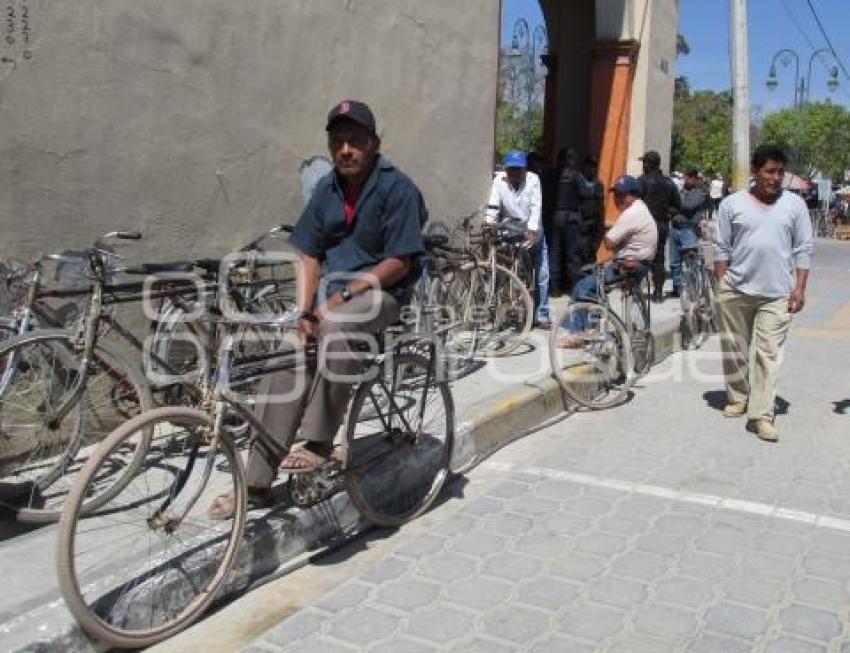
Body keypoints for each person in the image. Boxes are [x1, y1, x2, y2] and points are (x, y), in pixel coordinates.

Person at [208, 99, 428, 518]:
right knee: (290, 353)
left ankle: (319, 441)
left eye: (355, 141)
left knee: (344, 322)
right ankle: (255, 484)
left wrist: (338, 300)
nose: (346, 149)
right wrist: (304, 312)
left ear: (374, 143)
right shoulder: (328, 189)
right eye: (338, 141)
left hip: (381, 292)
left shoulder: (397, 188)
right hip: (331, 296)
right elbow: (308, 254)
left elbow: (401, 259)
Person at [714, 144, 814, 442]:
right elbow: (721, 247)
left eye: (781, 172)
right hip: (736, 289)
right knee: (735, 348)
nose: (776, 177)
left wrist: (799, 288)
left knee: (769, 355)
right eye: (770, 171)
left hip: (777, 293)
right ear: (756, 172)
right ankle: (737, 397)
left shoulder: (795, 206)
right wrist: (722, 282)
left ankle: (762, 415)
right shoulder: (732, 204)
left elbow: (803, 248)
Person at [557, 175, 658, 348]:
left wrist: (605, 230)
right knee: (591, 274)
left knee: (583, 287)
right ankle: (592, 324)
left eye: (621, 195)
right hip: (638, 263)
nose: (617, 199)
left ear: (633, 194)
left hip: (630, 267)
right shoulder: (641, 209)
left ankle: (578, 333)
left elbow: (609, 242)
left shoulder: (632, 213)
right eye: (616, 194)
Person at [486, 150, 551, 328]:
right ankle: (509, 308)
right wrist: (489, 223)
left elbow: (536, 206)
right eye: (511, 169)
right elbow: (493, 205)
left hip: (532, 228)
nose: (515, 173)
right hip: (511, 229)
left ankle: (542, 314)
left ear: (524, 169)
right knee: (509, 270)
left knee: (542, 272)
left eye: (518, 169)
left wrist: (531, 229)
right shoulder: (499, 180)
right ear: (506, 169)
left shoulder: (533, 179)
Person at [551, 149, 592, 294]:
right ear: (571, 160)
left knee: (555, 254)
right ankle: (575, 288)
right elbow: (588, 192)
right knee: (573, 255)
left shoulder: (553, 174)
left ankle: (554, 288)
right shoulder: (576, 175)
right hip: (571, 218)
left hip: (556, 217)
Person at [669, 168, 707, 297]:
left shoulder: (699, 193)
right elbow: (670, 205)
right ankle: (678, 288)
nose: (687, 179)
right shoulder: (679, 190)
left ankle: (695, 288)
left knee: (691, 261)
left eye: (691, 177)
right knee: (674, 262)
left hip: (689, 228)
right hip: (675, 228)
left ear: (695, 179)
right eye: (686, 176)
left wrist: (676, 206)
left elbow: (689, 206)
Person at [579, 156, 605, 266]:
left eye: (593, 167)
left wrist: (600, 224)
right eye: (588, 166)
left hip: (593, 221)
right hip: (580, 221)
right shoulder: (578, 182)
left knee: (590, 248)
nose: (591, 169)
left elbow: (600, 204)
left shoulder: (598, 184)